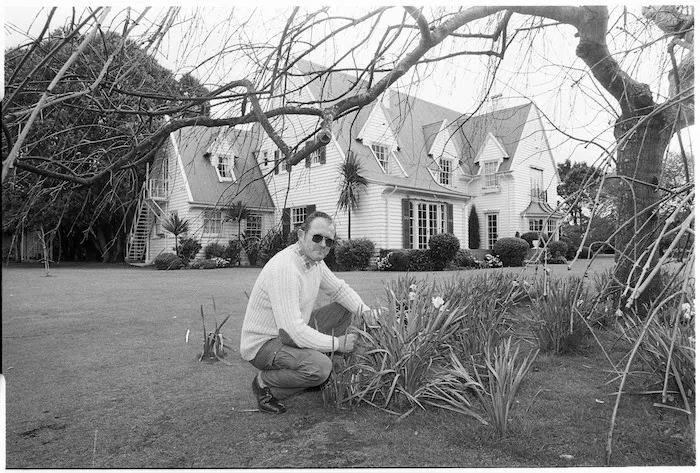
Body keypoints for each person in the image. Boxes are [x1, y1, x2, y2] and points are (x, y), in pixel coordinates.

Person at [240, 211, 371, 414]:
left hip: (289, 332)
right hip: (265, 343)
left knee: (346, 309)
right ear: (301, 236)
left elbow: (339, 290)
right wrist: (338, 344)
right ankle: (265, 385)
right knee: (320, 368)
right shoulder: (285, 268)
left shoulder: (314, 262)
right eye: (317, 237)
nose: (323, 244)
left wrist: (368, 313)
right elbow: (293, 331)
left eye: (329, 241)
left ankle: (318, 370)